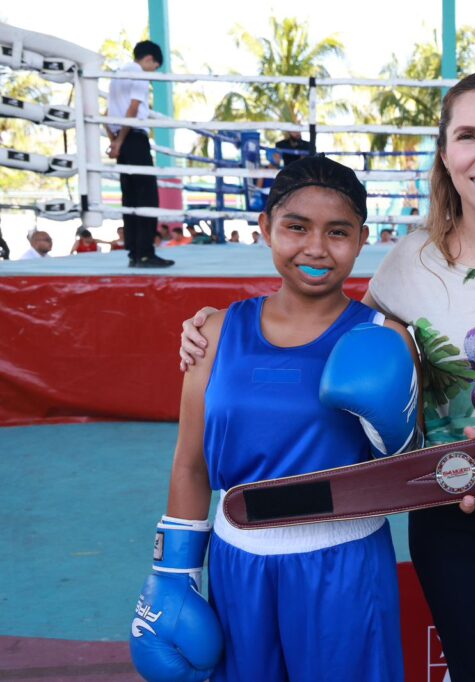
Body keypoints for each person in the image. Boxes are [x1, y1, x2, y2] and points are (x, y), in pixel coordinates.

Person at [179, 72, 475, 682]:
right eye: (468, 136)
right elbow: (337, 338)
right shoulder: (409, 262)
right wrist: (220, 330)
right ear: (445, 153)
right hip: (452, 510)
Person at [128, 155, 416, 681]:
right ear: (265, 228)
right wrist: (172, 573)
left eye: (338, 232)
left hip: (344, 563)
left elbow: (407, 468)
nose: (316, 248)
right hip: (238, 563)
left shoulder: (385, 338)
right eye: (296, 227)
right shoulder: (214, 332)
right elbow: (191, 464)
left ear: (361, 238)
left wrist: (396, 435)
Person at [106, 40, 173, 268]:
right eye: (155, 67)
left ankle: (134, 253)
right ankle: (145, 253)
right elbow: (133, 109)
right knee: (146, 196)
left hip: (121, 138)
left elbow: (106, 113)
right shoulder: (139, 74)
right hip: (133, 137)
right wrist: (121, 140)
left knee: (130, 197)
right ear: (149, 59)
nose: (153, 72)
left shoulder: (116, 76)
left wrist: (115, 141)